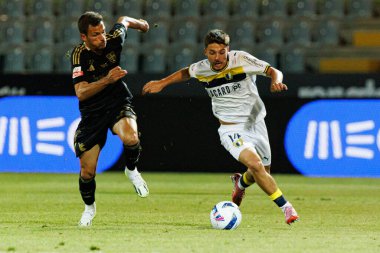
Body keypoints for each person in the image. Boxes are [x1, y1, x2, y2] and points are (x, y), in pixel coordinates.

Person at [142, 29, 299, 225]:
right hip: (230, 129)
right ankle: (287, 208)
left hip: (256, 124)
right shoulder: (202, 69)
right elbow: (185, 73)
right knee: (256, 165)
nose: (217, 57)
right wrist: (162, 83)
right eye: (212, 52)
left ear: (228, 50)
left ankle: (240, 183)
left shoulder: (241, 60)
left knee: (262, 172)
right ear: (205, 52)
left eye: (222, 52)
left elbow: (273, 71)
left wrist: (276, 81)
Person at [71, 11, 149, 227]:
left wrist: (141, 24)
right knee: (87, 172)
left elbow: (124, 20)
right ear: (84, 37)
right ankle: (89, 208)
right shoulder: (78, 56)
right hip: (92, 113)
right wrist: (107, 79)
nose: (102, 37)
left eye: (103, 32)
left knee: (131, 137)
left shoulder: (113, 40)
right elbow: (81, 92)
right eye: (95, 34)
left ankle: (131, 170)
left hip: (117, 103)